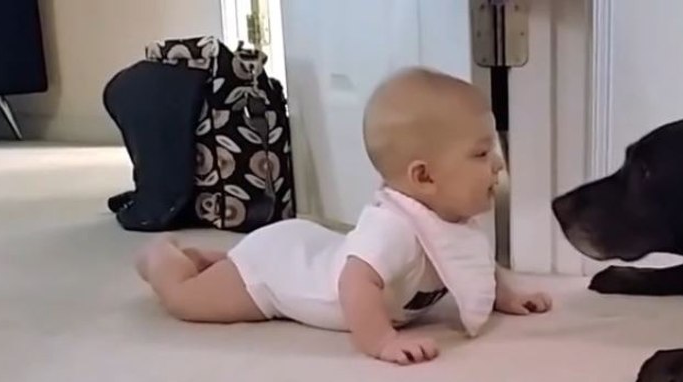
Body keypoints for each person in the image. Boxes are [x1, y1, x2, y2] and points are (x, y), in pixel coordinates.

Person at [134, 66, 552, 365]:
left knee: (241, 261)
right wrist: (381, 340)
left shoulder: (453, 219)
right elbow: (355, 284)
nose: (497, 164)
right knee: (187, 300)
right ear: (423, 177)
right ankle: (161, 257)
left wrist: (507, 295)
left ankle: (211, 259)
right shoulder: (393, 229)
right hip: (276, 273)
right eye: (481, 154)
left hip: (304, 244)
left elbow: (473, 260)